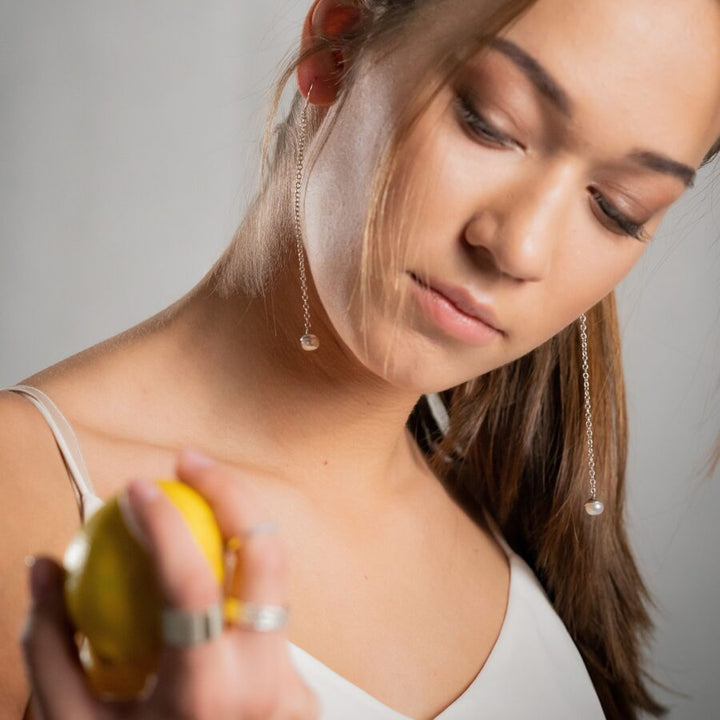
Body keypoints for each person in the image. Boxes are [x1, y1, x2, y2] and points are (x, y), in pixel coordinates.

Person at [1, 0, 718, 718]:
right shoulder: (22, 499)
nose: (520, 247)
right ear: (336, 43)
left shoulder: (518, 523)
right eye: (489, 123)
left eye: (618, 209)